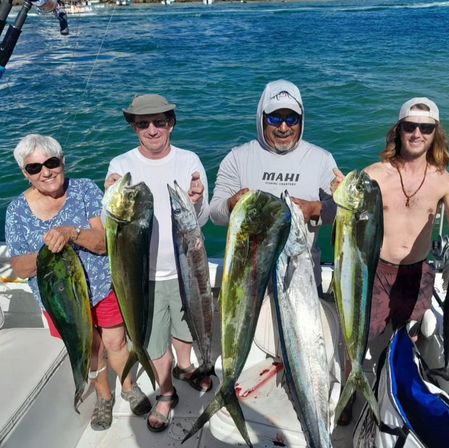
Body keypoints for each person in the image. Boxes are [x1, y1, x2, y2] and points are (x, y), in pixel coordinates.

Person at [332, 97, 449, 424]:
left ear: (435, 133)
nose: (417, 133)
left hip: (417, 273)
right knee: (355, 336)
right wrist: (339, 197)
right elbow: (349, 224)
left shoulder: (445, 181)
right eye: (409, 126)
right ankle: (350, 388)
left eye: (425, 128)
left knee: (407, 338)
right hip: (376, 270)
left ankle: (396, 388)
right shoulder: (375, 175)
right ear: (397, 131)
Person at [5, 134, 151, 432]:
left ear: (62, 161)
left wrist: (72, 233)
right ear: (25, 173)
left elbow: (103, 244)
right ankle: (104, 398)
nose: (45, 172)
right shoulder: (17, 211)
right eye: (34, 168)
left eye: (51, 162)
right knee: (92, 350)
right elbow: (19, 267)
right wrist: (48, 251)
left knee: (116, 342)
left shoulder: (84, 189)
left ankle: (128, 385)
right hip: (62, 302)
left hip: (102, 288)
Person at [104, 94, 211, 433]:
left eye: (159, 122)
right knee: (151, 339)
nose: (152, 129)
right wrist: (108, 199)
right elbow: (110, 223)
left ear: (171, 124)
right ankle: (166, 393)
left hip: (186, 270)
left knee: (185, 328)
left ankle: (184, 368)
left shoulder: (189, 160)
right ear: (134, 127)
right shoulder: (120, 167)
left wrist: (196, 202)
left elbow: (202, 219)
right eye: (143, 123)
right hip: (140, 276)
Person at [209, 79, 338, 291]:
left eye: (292, 118)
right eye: (275, 118)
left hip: (302, 281)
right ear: (262, 118)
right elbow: (215, 215)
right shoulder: (237, 158)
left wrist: (315, 209)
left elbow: (339, 215)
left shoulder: (322, 159)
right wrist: (232, 205)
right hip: (248, 283)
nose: (284, 127)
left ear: (301, 119)